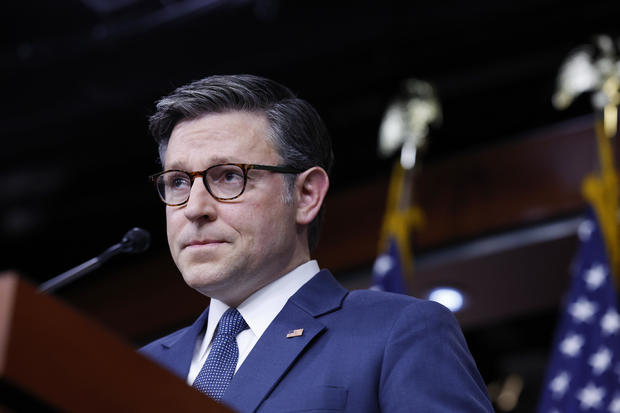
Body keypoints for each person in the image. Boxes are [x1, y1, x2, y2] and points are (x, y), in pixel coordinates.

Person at [140, 74, 493, 412]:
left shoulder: (396, 333)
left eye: (230, 176)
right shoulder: (140, 367)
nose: (195, 208)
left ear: (307, 194)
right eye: (178, 182)